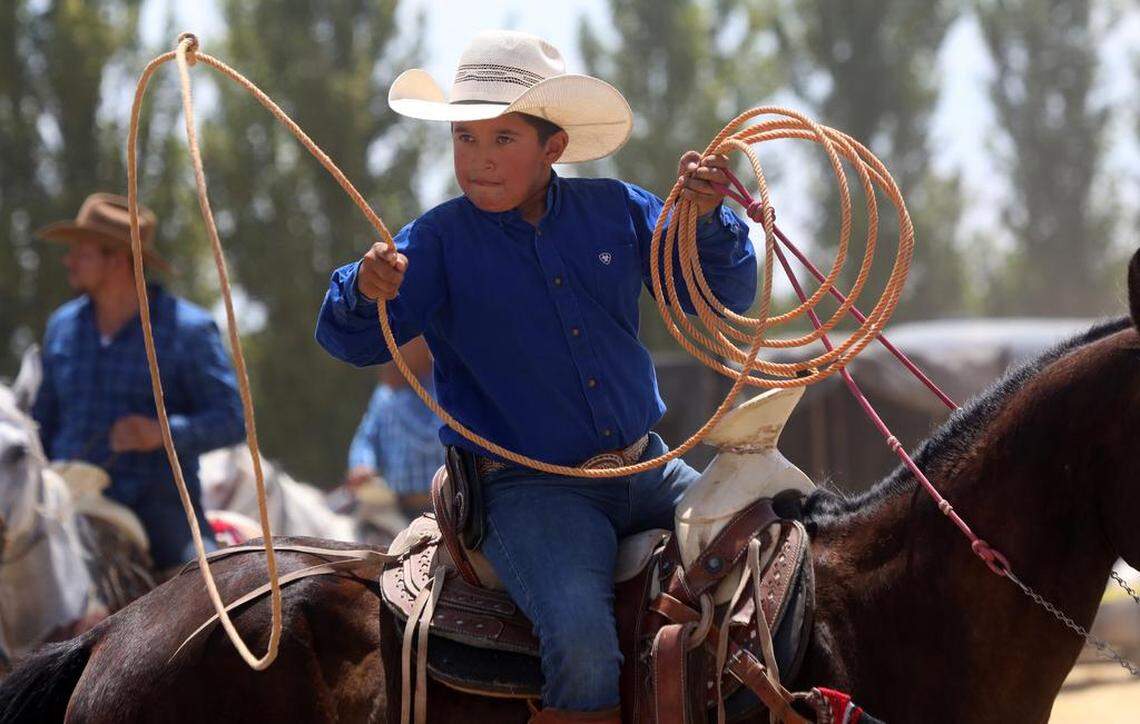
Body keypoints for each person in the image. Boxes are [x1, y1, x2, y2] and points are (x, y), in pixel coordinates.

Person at [315, 30, 755, 723]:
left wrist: (706, 219)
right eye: (466, 139)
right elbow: (349, 339)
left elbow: (722, 289)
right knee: (582, 646)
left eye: (502, 140)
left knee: (767, 549)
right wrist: (362, 288)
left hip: (647, 467)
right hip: (528, 492)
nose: (480, 161)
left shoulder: (618, 211)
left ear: (552, 148)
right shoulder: (435, 242)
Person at [33, 192, 245, 572]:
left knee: (207, 595)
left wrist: (161, 433)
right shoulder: (61, 327)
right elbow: (42, 423)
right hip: (64, 501)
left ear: (116, 259)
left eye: (81, 252)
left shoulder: (188, 330)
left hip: (156, 505)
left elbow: (232, 420)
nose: (69, 261)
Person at [344, 335, 443, 517]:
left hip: (449, 507)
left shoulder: (446, 386)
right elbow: (367, 437)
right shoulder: (384, 396)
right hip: (398, 508)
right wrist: (362, 465)